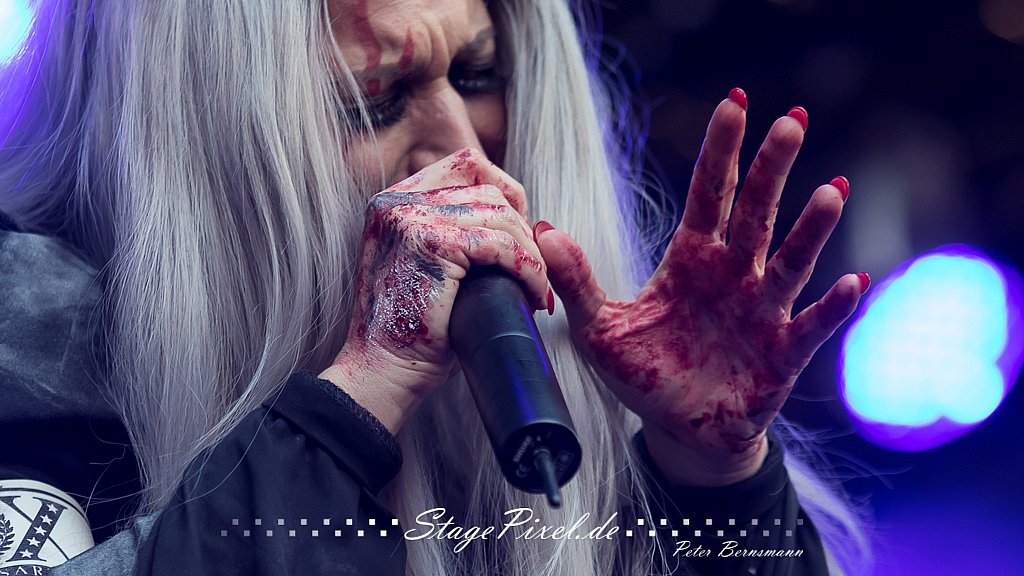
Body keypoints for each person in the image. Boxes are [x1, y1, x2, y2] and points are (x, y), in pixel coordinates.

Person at [0, 0, 872, 574]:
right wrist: (356, 401)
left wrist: (713, 479)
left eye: (480, 76)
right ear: (201, 144)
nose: (462, 148)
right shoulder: (32, 354)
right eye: (374, 101)